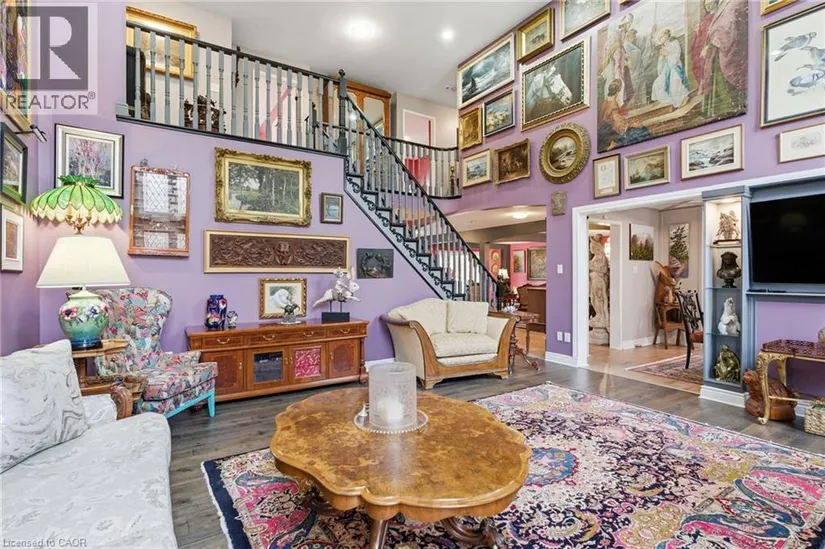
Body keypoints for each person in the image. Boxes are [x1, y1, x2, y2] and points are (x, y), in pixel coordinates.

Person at [690, 0, 747, 118]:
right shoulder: (717, 10)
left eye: (710, 3)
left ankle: (729, 109)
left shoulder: (732, 4)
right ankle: (718, 111)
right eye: (706, 5)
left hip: (726, 52)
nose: (708, 6)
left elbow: (727, 28)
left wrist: (711, 44)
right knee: (715, 82)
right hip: (717, 52)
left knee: (723, 83)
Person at [598, 79, 651, 150]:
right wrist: (627, 124)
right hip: (609, 130)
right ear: (619, 90)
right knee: (638, 130)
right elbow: (613, 120)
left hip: (606, 129)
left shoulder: (604, 103)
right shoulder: (614, 104)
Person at [651, 29, 691, 109]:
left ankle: (682, 99)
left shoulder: (675, 43)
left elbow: (675, 60)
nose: (660, 39)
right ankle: (671, 102)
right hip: (666, 70)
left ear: (667, 35)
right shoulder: (662, 48)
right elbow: (660, 66)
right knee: (657, 84)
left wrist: (667, 54)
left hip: (675, 68)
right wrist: (662, 57)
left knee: (675, 82)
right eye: (659, 38)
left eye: (661, 37)